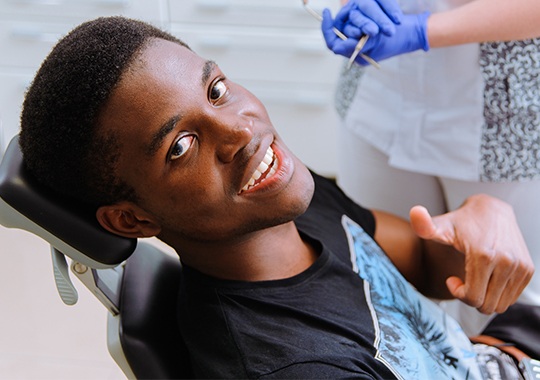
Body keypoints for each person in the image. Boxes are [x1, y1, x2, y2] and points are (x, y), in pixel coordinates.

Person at [18, 16, 537, 379]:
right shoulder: (298, 366)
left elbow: (422, 262)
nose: (241, 133)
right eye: (181, 146)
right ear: (131, 218)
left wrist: (480, 216)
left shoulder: (284, 203)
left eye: (216, 90)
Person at [321, 0, 540, 335]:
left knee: (503, 304)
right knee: (377, 283)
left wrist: (423, 30)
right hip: (378, 101)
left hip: (503, 119)